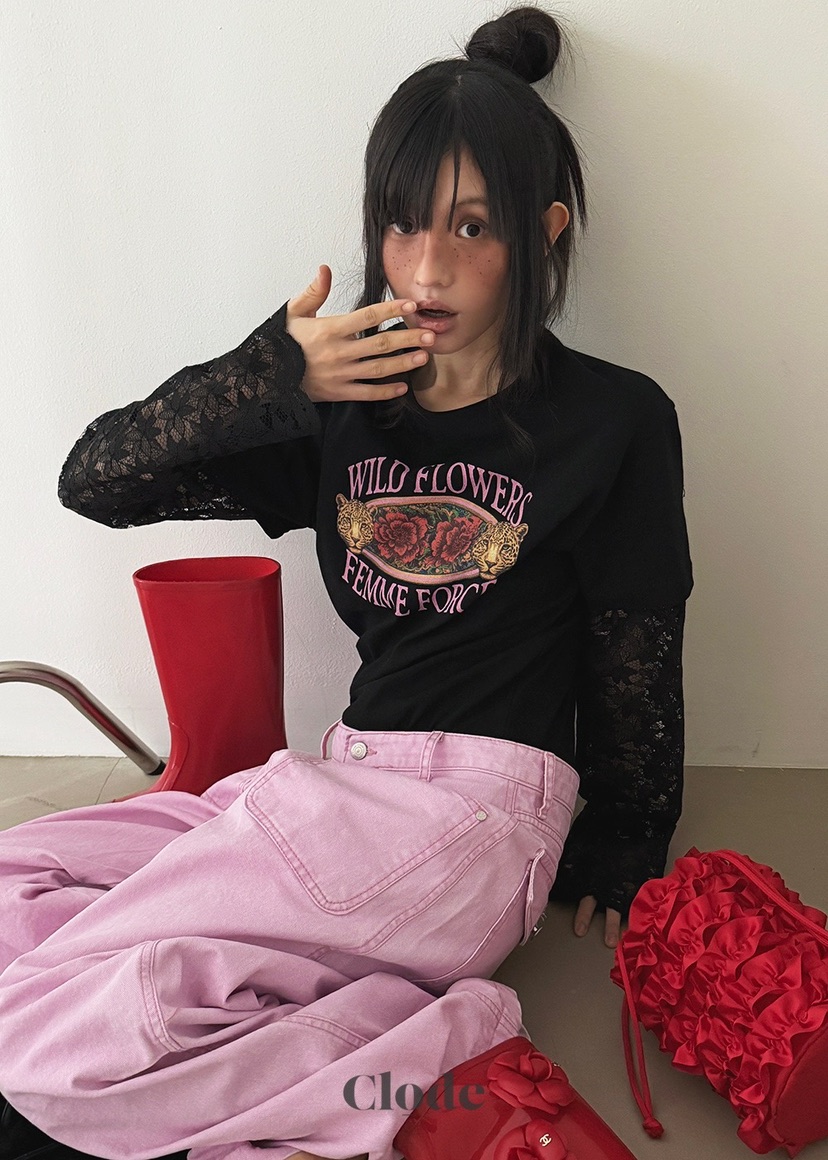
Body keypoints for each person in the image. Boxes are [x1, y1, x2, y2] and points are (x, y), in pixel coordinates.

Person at [0, 7, 692, 1160]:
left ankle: (415, 1052)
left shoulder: (613, 417)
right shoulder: (345, 405)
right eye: (402, 221)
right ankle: (334, 1043)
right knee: (16, 879)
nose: (425, 268)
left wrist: (628, 834)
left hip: (475, 815)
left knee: (51, 1021)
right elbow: (98, 480)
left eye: (473, 227)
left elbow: (639, 643)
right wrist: (275, 369)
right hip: (341, 781)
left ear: (545, 232)